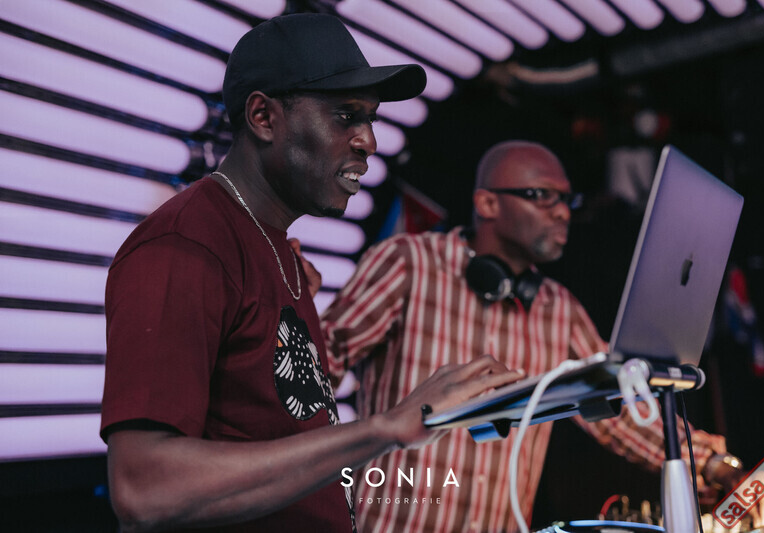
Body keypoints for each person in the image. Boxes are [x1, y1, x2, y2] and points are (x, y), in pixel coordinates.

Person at [99, 14, 524, 533]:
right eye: (346, 116)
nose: (368, 141)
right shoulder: (186, 246)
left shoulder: (274, 251)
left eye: (370, 119)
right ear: (263, 117)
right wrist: (386, 428)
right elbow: (144, 487)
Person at [320, 140, 764, 532]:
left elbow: (622, 406)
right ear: (487, 203)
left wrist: (716, 466)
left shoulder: (558, 308)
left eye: (566, 200)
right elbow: (319, 370)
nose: (562, 212)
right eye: (542, 196)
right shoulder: (409, 263)